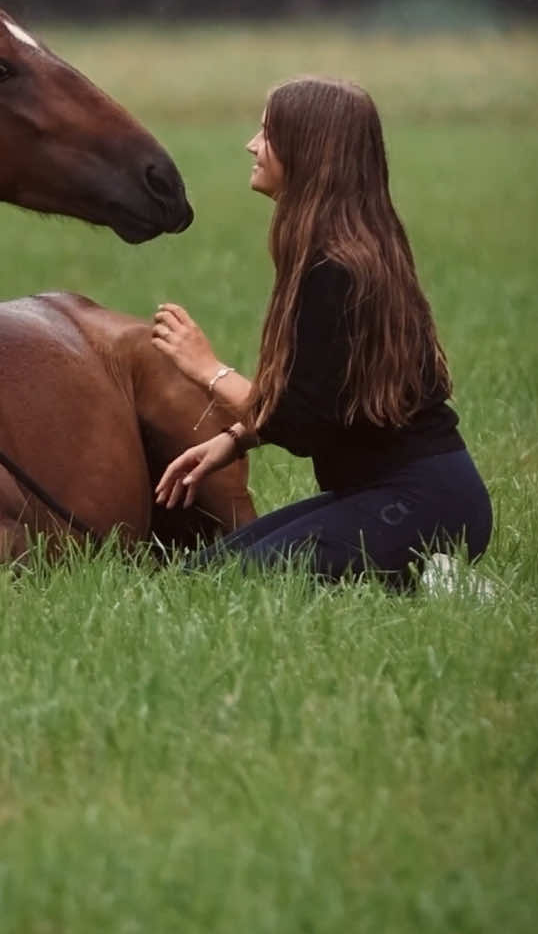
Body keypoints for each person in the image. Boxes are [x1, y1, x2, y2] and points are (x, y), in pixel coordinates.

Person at [151, 76, 492, 586]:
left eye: (267, 133)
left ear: (306, 149)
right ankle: (420, 574)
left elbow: (299, 422)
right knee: (200, 576)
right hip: (389, 495)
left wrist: (208, 368)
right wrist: (235, 440)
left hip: (421, 503)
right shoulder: (344, 252)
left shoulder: (338, 269)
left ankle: (441, 581)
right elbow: (329, 403)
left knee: (226, 588)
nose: (252, 144)